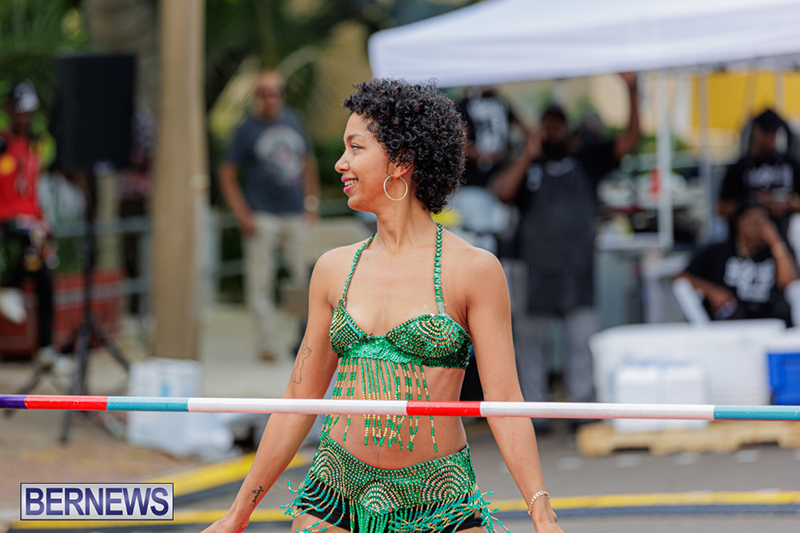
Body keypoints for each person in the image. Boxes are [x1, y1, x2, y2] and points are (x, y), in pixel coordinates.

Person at [203, 79, 562, 533]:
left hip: (439, 498)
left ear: (401, 161)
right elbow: (297, 401)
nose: (341, 162)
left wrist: (541, 512)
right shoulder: (333, 269)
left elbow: (505, 402)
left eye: (356, 148)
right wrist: (237, 515)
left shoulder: (474, 270)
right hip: (336, 492)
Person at [490, 72, 640, 431]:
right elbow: (502, 192)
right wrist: (528, 155)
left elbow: (631, 139)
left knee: (581, 344)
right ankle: (535, 414)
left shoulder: (587, 159)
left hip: (578, 271)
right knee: (531, 347)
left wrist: (631, 89)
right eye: (548, 126)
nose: (553, 132)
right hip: (536, 272)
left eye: (559, 125)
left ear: (568, 129)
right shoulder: (528, 166)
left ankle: (581, 410)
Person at [218, 71, 320, 363]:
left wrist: (311, 204)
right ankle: (266, 345)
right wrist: (243, 214)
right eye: (264, 93)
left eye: (275, 92)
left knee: (308, 281)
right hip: (262, 215)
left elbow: (307, 163)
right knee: (260, 284)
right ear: (256, 96)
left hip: (295, 214)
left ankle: (307, 341)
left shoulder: (293, 121)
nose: (270, 99)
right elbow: (226, 173)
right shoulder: (246, 129)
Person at [0, 81, 56, 358]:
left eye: (29, 112)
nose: (26, 118)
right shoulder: (2, 143)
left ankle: (46, 348)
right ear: (9, 110)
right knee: (34, 240)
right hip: (6, 218)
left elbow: (34, 186)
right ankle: (9, 287)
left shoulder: (36, 144)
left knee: (45, 275)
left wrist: (42, 219)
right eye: (21, 111)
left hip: (32, 220)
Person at [677, 200, 797, 324]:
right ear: (739, 222)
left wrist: (775, 241)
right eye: (753, 221)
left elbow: (788, 283)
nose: (758, 226)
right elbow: (681, 277)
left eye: (763, 221)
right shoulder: (719, 251)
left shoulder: (775, 253)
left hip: (770, 320)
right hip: (730, 322)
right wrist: (711, 291)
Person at [718, 108, 800, 239]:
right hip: (745, 243)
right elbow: (722, 208)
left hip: (782, 237)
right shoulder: (740, 167)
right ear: (755, 131)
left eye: (774, 132)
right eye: (767, 132)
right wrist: (753, 202)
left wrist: (786, 203)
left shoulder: (790, 164)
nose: (771, 137)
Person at [457, 87, 529, 189]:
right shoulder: (465, 105)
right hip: (474, 180)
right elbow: (461, 145)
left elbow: (525, 129)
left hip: (501, 177)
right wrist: (484, 156)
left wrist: (517, 155)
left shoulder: (501, 102)